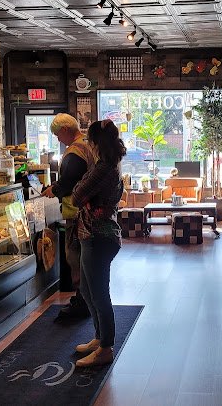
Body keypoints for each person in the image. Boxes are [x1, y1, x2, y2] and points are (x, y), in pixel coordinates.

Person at [71, 119, 125, 367]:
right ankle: (99, 337)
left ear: (96, 143)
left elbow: (76, 196)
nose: (88, 144)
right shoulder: (107, 165)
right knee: (87, 289)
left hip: (98, 236)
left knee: (99, 293)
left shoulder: (103, 168)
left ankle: (105, 347)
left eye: (89, 140)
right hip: (94, 234)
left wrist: (81, 190)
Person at [41, 113, 95, 319]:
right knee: (86, 260)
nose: (58, 139)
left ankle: (82, 302)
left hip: (77, 213)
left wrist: (53, 190)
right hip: (90, 212)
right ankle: (86, 300)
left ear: (65, 130)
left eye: (57, 134)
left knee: (75, 258)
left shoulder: (74, 152)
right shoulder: (88, 145)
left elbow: (69, 181)